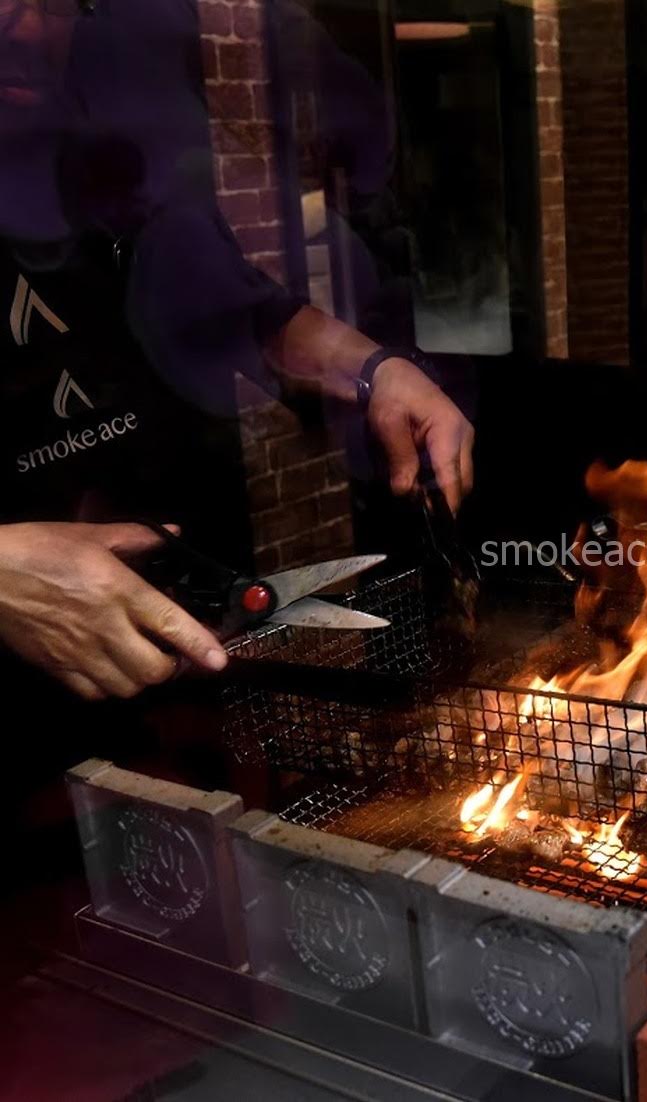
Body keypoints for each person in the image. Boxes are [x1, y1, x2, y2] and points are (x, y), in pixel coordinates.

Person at [0, 0, 474, 703]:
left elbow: (239, 311)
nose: (35, 29)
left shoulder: (101, 157)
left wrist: (379, 371)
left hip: (165, 659)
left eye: (55, 4)